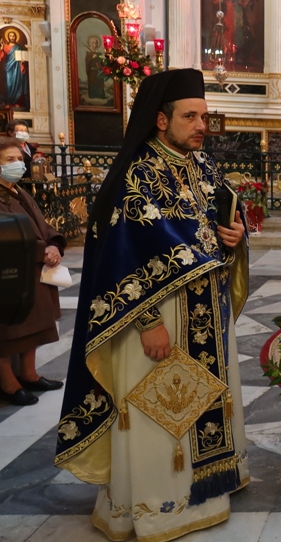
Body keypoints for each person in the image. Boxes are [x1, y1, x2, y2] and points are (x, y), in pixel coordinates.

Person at [55, 69, 250, 542]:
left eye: (205, 116)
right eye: (191, 116)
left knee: (203, 405)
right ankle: (160, 508)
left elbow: (217, 228)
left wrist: (236, 236)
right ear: (160, 120)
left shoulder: (202, 168)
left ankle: (211, 486)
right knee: (158, 416)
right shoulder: (135, 175)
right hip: (157, 324)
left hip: (204, 315)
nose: (202, 125)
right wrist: (145, 322)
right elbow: (119, 260)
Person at [0, 136, 65, 405]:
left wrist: (54, 243)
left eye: (19, 159)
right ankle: (8, 383)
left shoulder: (18, 190)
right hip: (10, 272)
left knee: (33, 325)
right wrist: (43, 250)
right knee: (8, 330)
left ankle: (29, 374)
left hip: (32, 269)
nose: (17, 164)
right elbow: (6, 235)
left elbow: (42, 225)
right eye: (9, 160)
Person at [213, 0, 255, 65]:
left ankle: (237, 55)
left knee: (239, 34)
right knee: (229, 33)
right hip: (229, 14)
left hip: (239, 15)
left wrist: (250, 2)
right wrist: (222, 0)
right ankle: (227, 54)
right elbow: (216, 1)